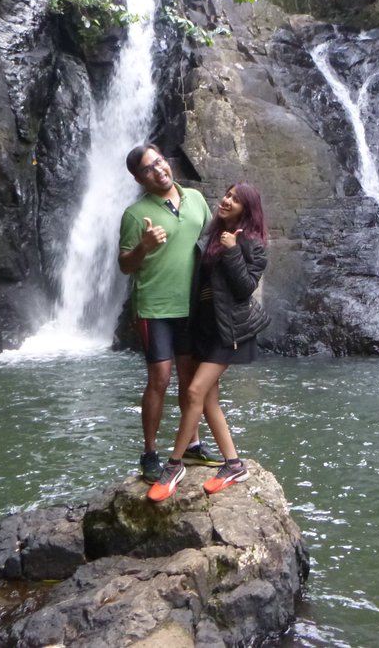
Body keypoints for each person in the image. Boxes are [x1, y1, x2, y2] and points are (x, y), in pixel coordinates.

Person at [148, 182, 270, 501]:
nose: (226, 201)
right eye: (227, 195)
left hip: (228, 331)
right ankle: (233, 463)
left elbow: (244, 288)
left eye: (235, 199)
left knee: (193, 391)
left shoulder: (252, 243)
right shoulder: (212, 233)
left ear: (248, 209)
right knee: (209, 400)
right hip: (203, 326)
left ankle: (174, 464)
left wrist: (232, 251)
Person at [118, 143, 222, 482]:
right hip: (155, 307)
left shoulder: (196, 199)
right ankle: (149, 452)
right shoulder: (135, 215)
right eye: (148, 169)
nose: (158, 170)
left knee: (190, 379)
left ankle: (192, 444)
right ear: (139, 178)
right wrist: (143, 246)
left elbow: (213, 242)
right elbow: (124, 266)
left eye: (159, 161)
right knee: (159, 379)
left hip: (191, 306)